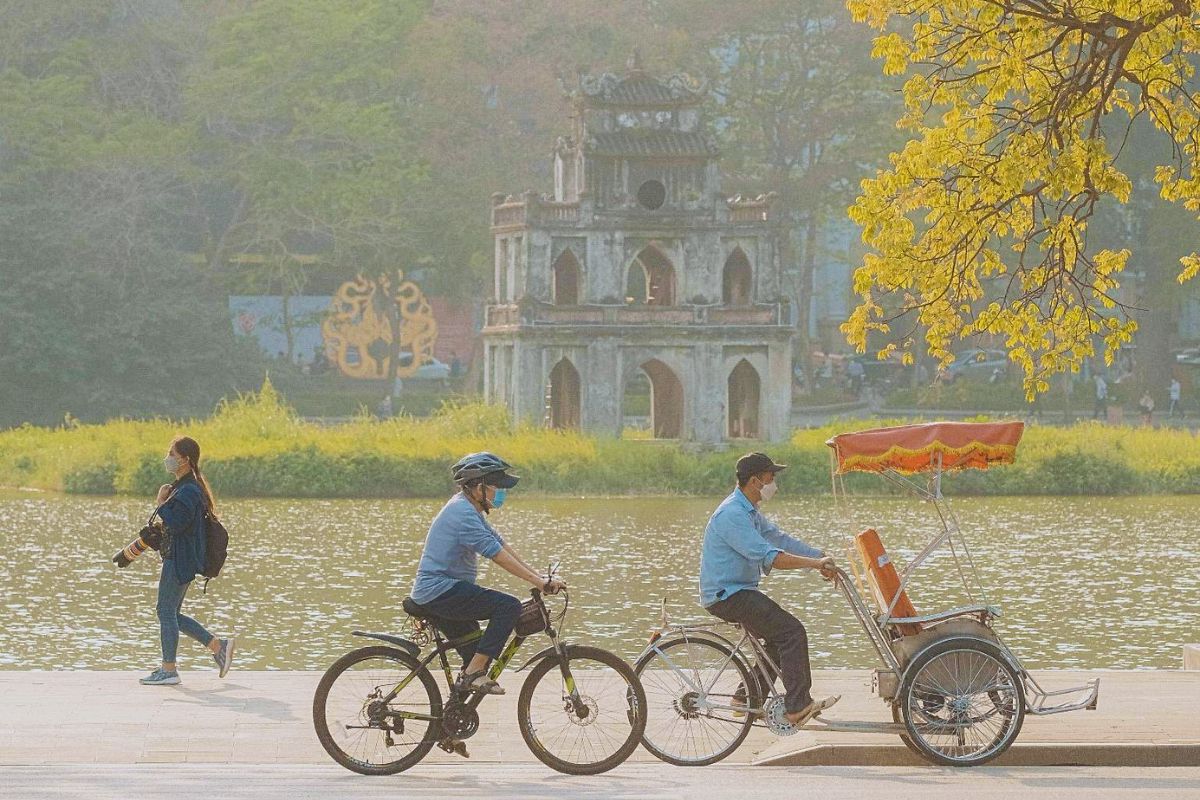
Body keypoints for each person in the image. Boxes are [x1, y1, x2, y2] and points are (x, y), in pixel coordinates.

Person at [699, 452, 840, 727]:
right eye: (770, 477)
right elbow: (771, 556)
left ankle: (746, 698)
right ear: (754, 481)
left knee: (777, 640)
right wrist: (814, 563)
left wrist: (820, 557)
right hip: (728, 595)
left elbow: (779, 539)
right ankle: (798, 706)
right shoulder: (732, 515)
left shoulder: (749, 511)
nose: (774, 482)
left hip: (738, 592)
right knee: (792, 632)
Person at [408, 453, 565, 695]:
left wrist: (540, 578)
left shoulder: (467, 508)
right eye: (496, 486)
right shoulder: (462, 514)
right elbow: (497, 556)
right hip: (439, 591)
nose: (501, 492)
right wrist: (537, 582)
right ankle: (473, 674)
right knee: (508, 607)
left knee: (475, 655)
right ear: (479, 486)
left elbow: (501, 544)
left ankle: (448, 722)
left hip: (444, 591)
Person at [140, 436, 234, 686]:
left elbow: (179, 523)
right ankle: (218, 646)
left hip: (180, 561)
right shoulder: (184, 487)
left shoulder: (189, 490)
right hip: (179, 558)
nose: (168, 457)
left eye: (172, 453)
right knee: (171, 613)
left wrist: (160, 504)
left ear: (185, 460)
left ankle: (169, 670)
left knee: (165, 611)